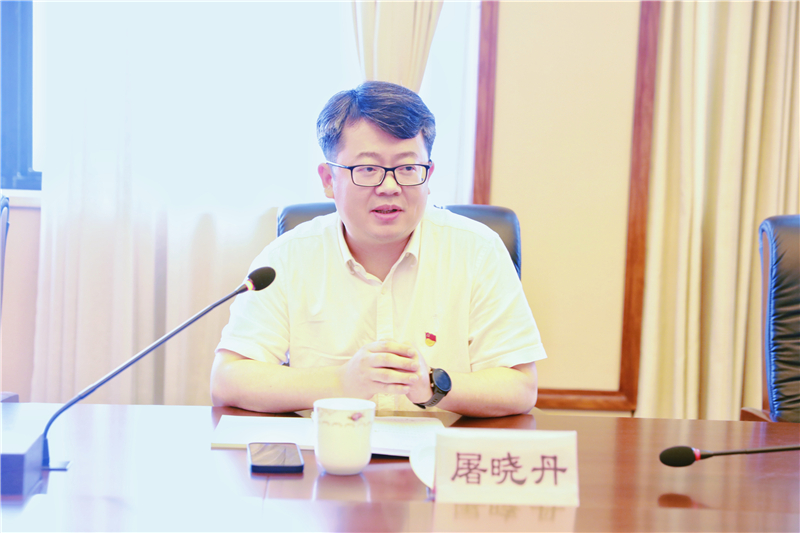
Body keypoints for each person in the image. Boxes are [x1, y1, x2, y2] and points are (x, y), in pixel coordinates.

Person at [211, 81, 546, 417]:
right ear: (328, 180)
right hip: (327, 447)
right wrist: (341, 382)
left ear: (428, 175)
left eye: (407, 168)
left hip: (441, 447)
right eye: (368, 169)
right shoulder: (288, 258)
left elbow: (519, 386)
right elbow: (228, 379)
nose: (389, 187)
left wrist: (431, 385)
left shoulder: (478, 251)